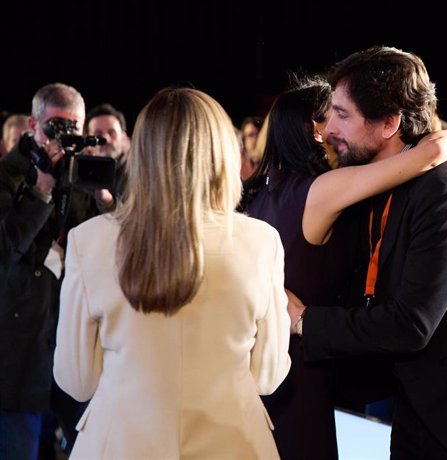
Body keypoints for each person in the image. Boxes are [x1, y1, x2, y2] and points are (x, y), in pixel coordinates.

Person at [288, 46, 447, 460]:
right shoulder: (377, 177)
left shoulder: (444, 191)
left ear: (389, 123)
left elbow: (411, 323)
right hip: (422, 401)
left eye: (342, 114)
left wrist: (305, 321)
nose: (328, 127)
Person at [53, 87, 291, 459]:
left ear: (142, 153)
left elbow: (76, 380)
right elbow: (267, 376)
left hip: (120, 445)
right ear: (222, 153)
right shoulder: (262, 242)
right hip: (233, 444)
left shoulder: (89, 241)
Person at [243, 75, 447, 460]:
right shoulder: (322, 190)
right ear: (315, 131)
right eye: (333, 117)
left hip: (268, 360)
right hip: (299, 363)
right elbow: (423, 157)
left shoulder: (264, 190)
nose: (336, 129)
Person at [0, 82, 90, 459]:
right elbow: (5, 248)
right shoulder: (7, 174)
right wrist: (39, 193)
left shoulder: (84, 174)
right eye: (56, 127)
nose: (64, 137)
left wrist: (106, 199)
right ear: (33, 126)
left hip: (70, 336)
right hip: (19, 344)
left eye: (73, 127)